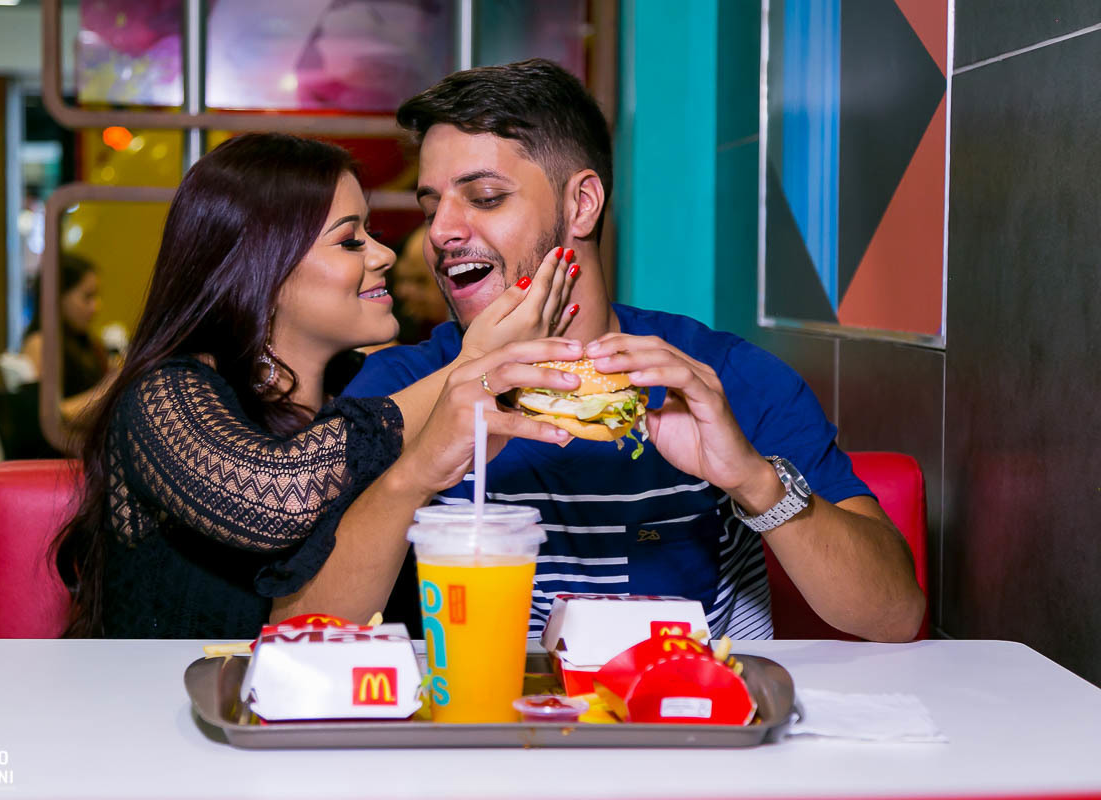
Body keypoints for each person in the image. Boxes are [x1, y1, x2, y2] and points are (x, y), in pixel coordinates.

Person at [321, 59, 925, 642]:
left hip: (688, 729)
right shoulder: (396, 389)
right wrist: (420, 468)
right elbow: (306, 626)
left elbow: (894, 616)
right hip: (488, 728)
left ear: (581, 204)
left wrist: (751, 479)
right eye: (432, 207)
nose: (442, 232)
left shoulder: (724, 377)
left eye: (483, 198)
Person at [53, 132, 584, 638]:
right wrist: (476, 363)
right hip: (157, 717)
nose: (385, 255)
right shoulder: (163, 398)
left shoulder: (368, 386)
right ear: (262, 265)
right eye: (351, 240)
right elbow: (275, 498)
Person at [21, 254, 118, 434]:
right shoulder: (41, 344)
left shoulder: (85, 341)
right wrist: (112, 385)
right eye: (87, 297)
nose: (96, 306)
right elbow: (55, 416)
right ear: (58, 297)